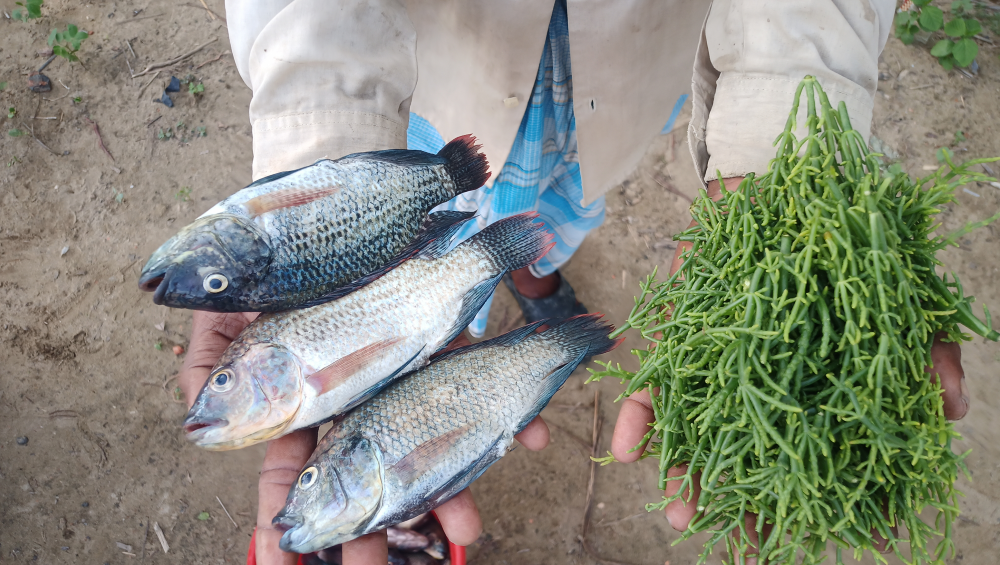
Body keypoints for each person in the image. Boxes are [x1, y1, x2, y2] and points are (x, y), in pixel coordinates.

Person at [176, 1, 971, 563]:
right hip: (436, 65)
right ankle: (510, 294)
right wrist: (314, 200)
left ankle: (537, 270)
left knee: (562, 207)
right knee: (451, 234)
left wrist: (783, 154)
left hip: (627, 74)